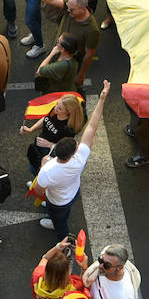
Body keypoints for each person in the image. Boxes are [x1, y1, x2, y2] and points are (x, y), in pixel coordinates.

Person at [36, 82, 110, 235]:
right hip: (71, 194)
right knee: (62, 213)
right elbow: (92, 127)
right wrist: (101, 99)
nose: (78, 143)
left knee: (60, 223)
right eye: (76, 144)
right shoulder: (79, 158)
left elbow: (38, 190)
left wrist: (43, 166)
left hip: (56, 201)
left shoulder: (48, 169)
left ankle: (63, 239)